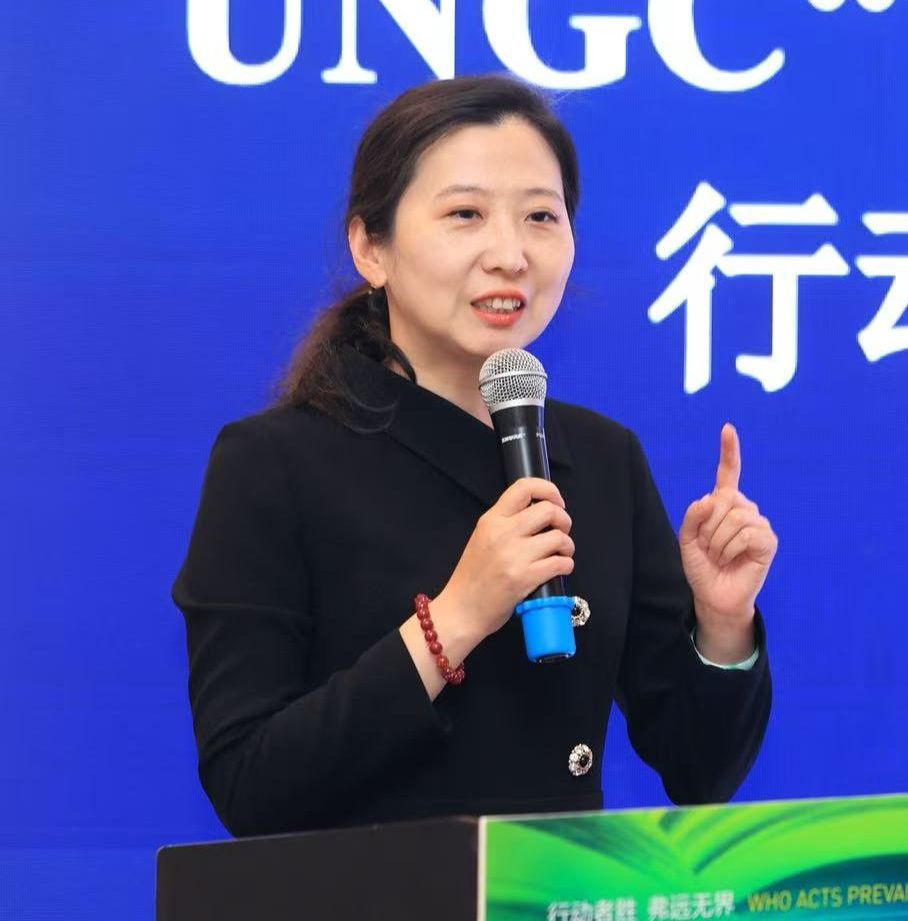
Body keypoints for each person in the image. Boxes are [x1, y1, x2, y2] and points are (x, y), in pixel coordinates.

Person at [171, 74, 775, 838]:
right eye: (465, 214)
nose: (510, 255)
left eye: (540, 217)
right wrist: (456, 618)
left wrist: (722, 625)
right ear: (370, 247)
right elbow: (249, 783)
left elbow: (701, 768)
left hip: (555, 889)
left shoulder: (602, 458)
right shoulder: (274, 463)